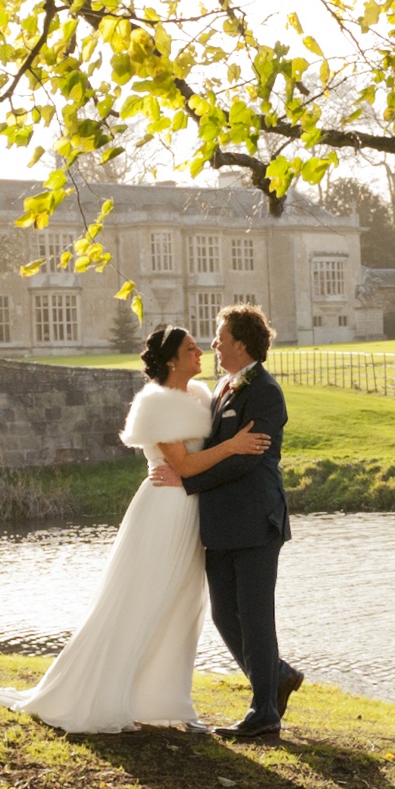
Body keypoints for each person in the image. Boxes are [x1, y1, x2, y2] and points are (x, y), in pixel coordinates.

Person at [0, 325, 266, 732]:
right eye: (191, 348)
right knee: (143, 601)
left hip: (192, 514)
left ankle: (164, 702)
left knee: (181, 606)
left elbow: (194, 464)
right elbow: (183, 466)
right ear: (172, 359)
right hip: (163, 510)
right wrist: (233, 446)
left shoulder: (202, 397)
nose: (200, 351)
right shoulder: (155, 404)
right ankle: (105, 694)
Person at [150, 304, 301, 740]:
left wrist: (187, 478)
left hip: (255, 519)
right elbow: (226, 448)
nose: (213, 344)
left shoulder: (266, 393)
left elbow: (247, 459)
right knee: (223, 615)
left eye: (219, 337)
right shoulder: (221, 387)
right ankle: (277, 677)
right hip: (219, 522)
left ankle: (264, 712)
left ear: (240, 343)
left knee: (255, 616)